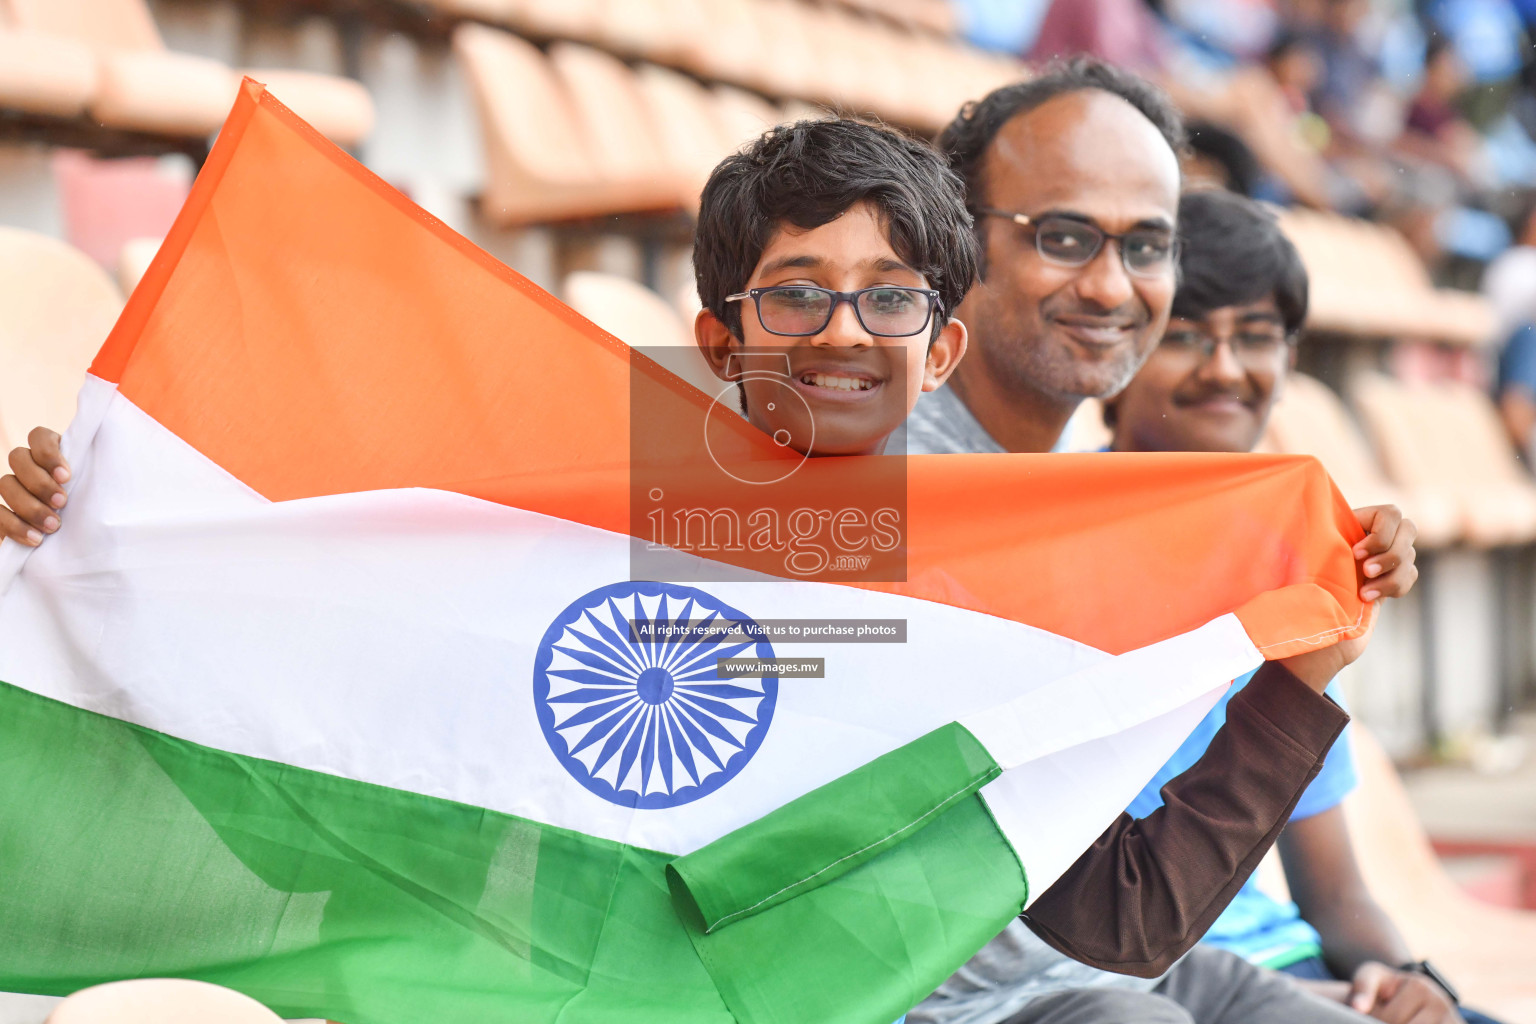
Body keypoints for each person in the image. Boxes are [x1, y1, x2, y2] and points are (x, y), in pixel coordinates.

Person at [12, 115, 1378, 1007]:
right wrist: (66, 543)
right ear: (720, 342)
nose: (843, 333)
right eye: (795, 295)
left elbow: (1120, 917)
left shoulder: (989, 603)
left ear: (941, 346)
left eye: (891, 298)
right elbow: (288, 689)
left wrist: (1299, 681)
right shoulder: (568, 536)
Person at [905, 61, 1418, 1024]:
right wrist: (1295, 688)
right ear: (955, 248)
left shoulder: (1079, 506)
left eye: (1148, 246)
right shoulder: (891, 493)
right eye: (1062, 237)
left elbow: (1129, 931)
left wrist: (1314, 660)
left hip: (1117, 969)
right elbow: (1118, 921)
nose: (1110, 286)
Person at [1103, 188, 1497, 1024]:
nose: (1225, 367)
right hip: (1153, 990)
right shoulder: (1055, 554)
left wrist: (1407, 984)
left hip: (1303, 969)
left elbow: (1337, 893)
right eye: (1184, 336)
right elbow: (1079, 935)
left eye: (1256, 337)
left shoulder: (1287, 568)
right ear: (1112, 358)